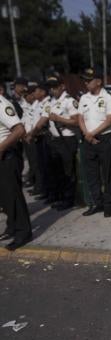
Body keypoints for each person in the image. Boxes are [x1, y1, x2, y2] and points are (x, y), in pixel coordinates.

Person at [30, 73, 79, 210]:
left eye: (55, 87)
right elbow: (43, 119)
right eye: (50, 88)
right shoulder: (51, 102)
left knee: (68, 171)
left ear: (62, 86)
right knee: (57, 170)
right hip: (54, 140)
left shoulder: (69, 101)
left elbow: (77, 121)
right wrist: (32, 133)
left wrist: (60, 119)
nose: (52, 90)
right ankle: (60, 196)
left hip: (67, 139)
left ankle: (69, 199)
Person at [78, 67, 111, 218]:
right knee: (91, 174)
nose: (86, 83)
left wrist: (92, 134)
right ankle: (97, 203)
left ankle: (108, 204)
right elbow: (80, 118)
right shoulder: (83, 98)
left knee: (107, 173)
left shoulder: (109, 98)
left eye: (89, 80)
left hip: (104, 140)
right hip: (87, 139)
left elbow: (109, 120)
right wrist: (86, 134)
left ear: (99, 81)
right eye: (85, 80)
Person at [0, 92, 32, 251]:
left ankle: (23, 232)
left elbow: (19, 130)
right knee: (4, 197)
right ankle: (12, 226)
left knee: (13, 195)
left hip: (7, 156)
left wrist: (1, 147)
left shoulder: (1, 104)